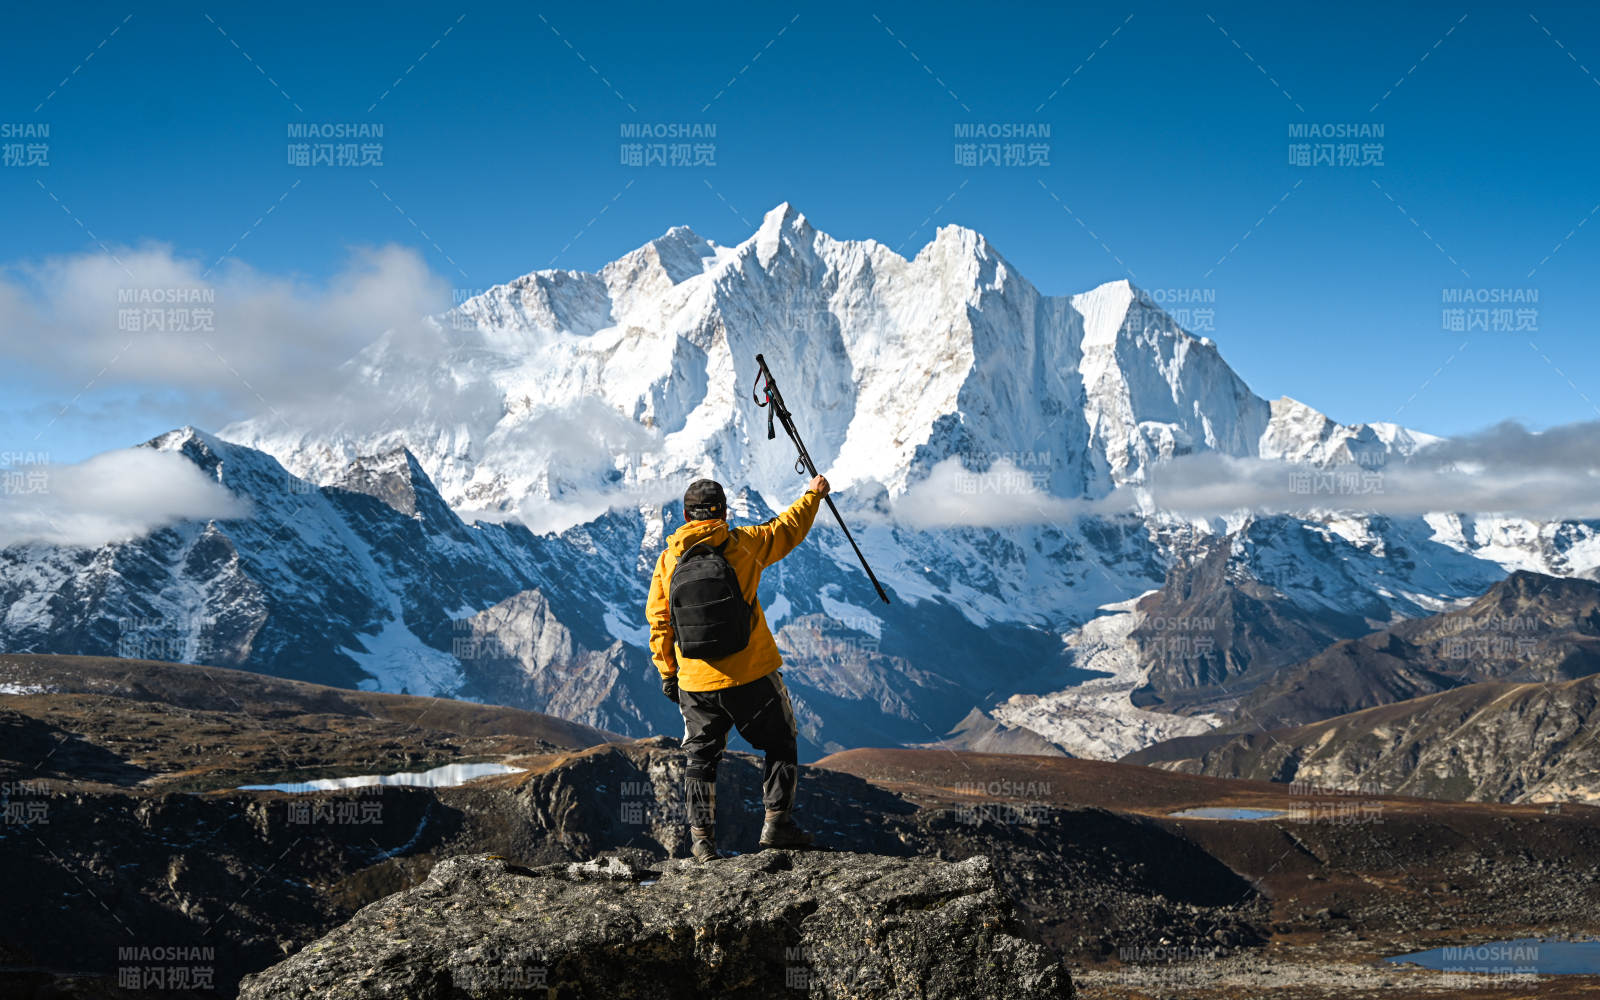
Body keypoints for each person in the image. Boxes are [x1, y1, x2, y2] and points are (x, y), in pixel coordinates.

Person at [645, 474, 829, 861]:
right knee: (780, 740)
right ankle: (777, 824)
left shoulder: (667, 560)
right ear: (724, 512)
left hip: (695, 680)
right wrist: (813, 495)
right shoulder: (744, 545)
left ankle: (701, 843)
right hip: (751, 675)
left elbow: (660, 620)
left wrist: (667, 673)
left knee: (701, 758)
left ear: (684, 514)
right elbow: (787, 529)